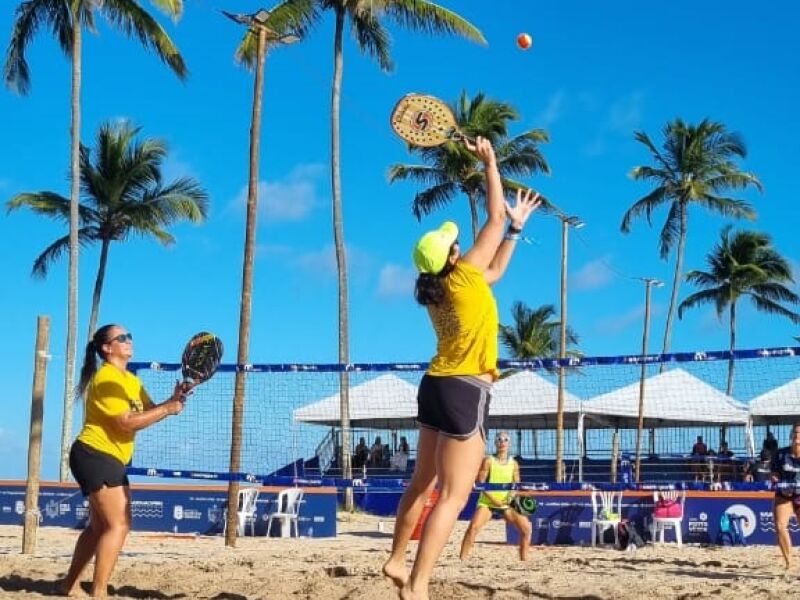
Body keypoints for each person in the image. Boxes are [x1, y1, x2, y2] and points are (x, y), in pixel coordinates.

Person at [381, 136, 541, 600]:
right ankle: (418, 585)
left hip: (434, 385)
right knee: (453, 496)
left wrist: (513, 231)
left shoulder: (445, 286)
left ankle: (396, 559)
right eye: (454, 243)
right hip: (464, 390)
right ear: (453, 257)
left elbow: (494, 273)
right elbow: (491, 216)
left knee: (423, 483)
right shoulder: (463, 276)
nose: (459, 243)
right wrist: (491, 162)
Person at [58, 324, 189, 598]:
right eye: (122, 338)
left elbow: (150, 412)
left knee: (98, 528)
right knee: (119, 524)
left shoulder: (130, 380)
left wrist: (173, 400)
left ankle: (68, 586)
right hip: (95, 454)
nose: (129, 341)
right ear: (107, 348)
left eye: (130, 336)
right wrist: (167, 409)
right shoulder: (107, 379)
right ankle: (100, 591)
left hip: (104, 456)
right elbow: (126, 422)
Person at [460, 431, 532, 561]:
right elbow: (480, 483)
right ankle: (462, 559)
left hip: (506, 502)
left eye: (505, 440)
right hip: (488, 502)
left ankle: (524, 561)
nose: (502, 442)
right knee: (473, 528)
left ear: (509, 443)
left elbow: (516, 485)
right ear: (495, 443)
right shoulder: (488, 461)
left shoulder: (513, 463)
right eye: (499, 439)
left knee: (526, 529)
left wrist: (510, 497)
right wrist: (494, 500)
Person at [771, 422, 800, 572]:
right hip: (784, 494)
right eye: (795, 433)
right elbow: (774, 473)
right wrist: (776, 479)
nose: (797, 436)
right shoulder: (781, 454)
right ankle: (789, 563)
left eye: (799, 433)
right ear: (791, 435)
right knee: (780, 526)